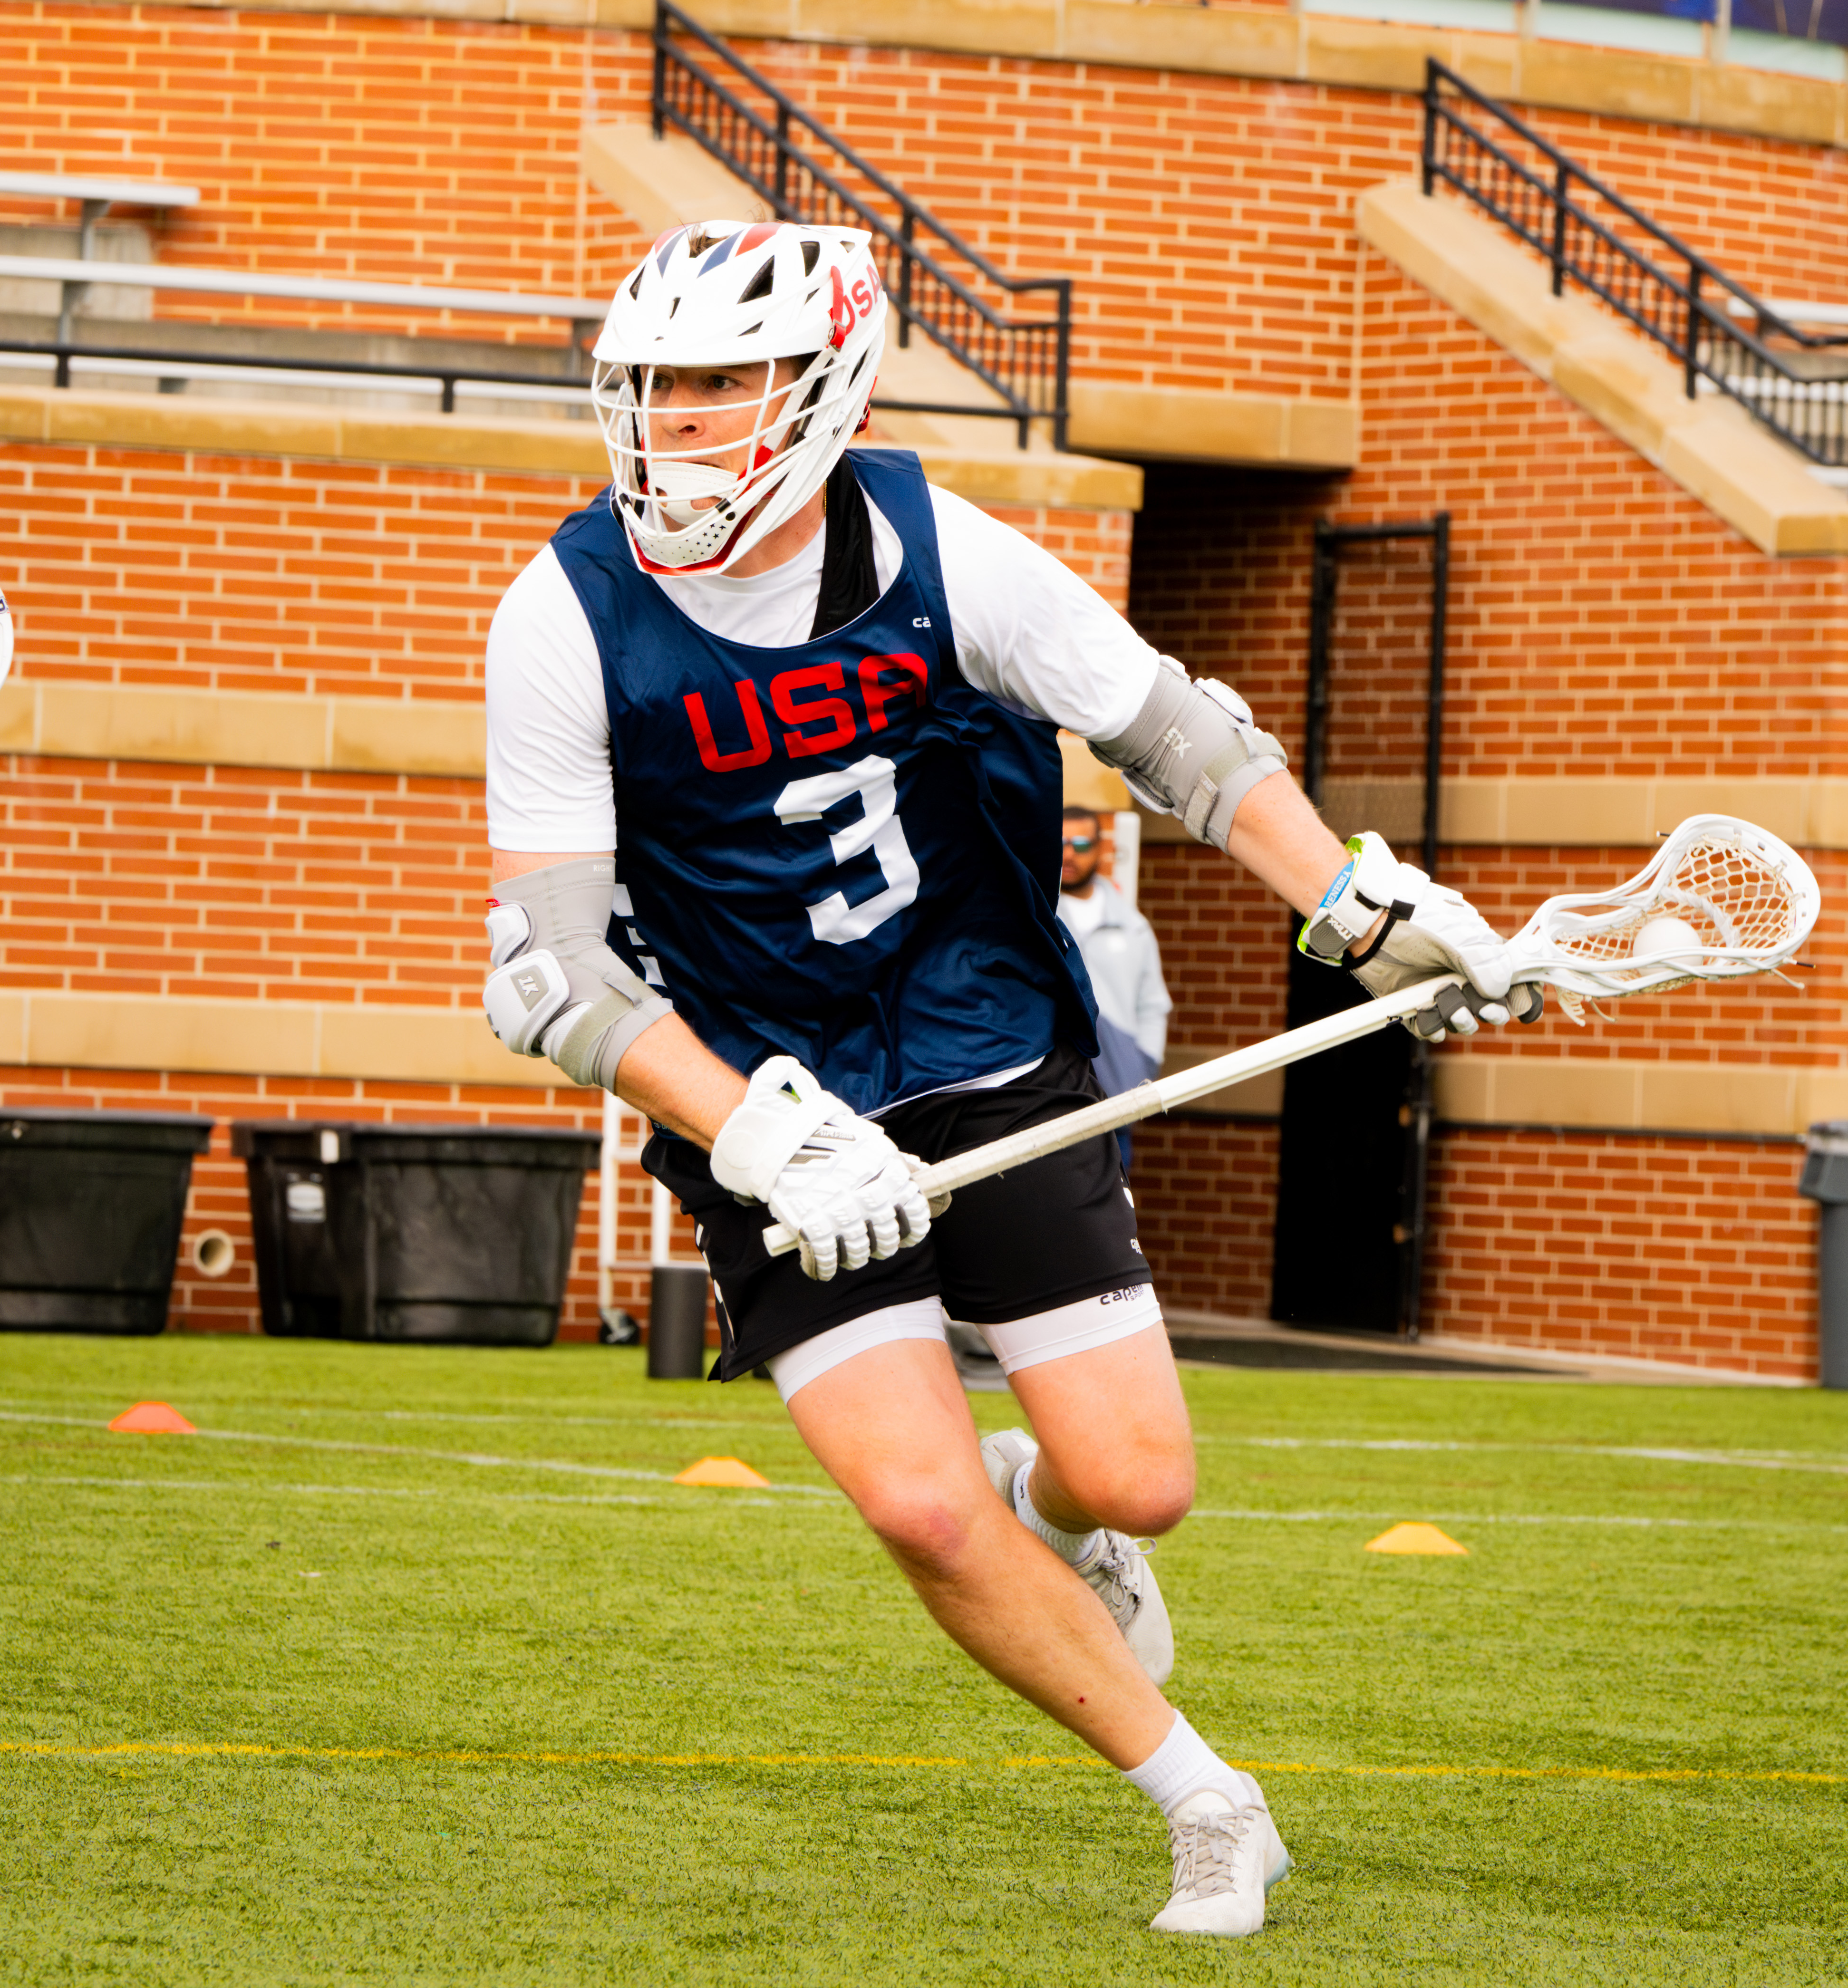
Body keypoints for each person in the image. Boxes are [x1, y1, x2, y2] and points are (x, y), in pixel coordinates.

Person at [480, 221, 1524, 1938]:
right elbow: (553, 972)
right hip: (764, 1094)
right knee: (913, 1494)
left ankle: (1075, 1520)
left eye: (718, 381)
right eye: (652, 386)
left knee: (1135, 1480)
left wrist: (1350, 899)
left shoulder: (939, 548)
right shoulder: (564, 612)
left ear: (819, 389)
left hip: (981, 1041)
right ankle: (1207, 1798)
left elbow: (1178, 734)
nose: (676, 421)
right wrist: (747, 1124)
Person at [1058, 804, 1170, 1168]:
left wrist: (1143, 1067)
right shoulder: (1038, 917)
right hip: (1052, 1097)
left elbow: (1153, 1005)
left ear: (1100, 849)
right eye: (1060, 843)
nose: (1069, 853)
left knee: (1114, 1206)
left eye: (1080, 844)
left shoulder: (1133, 926)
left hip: (1116, 1097)